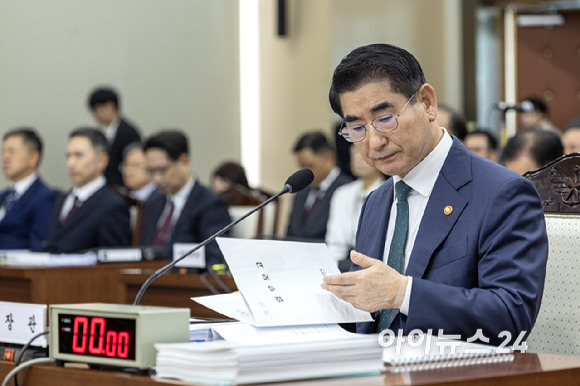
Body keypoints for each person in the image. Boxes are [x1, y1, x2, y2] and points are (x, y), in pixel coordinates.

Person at [321, 43, 548, 345]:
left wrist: (403, 293)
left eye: (385, 118)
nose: (373, 142)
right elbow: (363, 318)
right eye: (357, 128)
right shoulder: (377, 201)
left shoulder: (503, 193)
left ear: (427, 103)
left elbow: (511, 315)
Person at [139, 130, 231, 267]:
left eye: (162, 170)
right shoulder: (154, 200)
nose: (156, 179)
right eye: (151, 172)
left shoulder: (210, 204)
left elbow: (215, 259)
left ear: (184, 161)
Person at [46, 128, 131, 253]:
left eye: (78, 155)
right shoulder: (62, 199)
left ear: (101, 161)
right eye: (68, 156)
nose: (71, 163)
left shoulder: (112, 205)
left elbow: (114, 261)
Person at [325, 145, 386, 271]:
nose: (358, 157)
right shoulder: (342, 193)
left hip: (374, 267)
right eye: (354, 150)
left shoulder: (388, 194)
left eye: (364, 151)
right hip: (342, 266)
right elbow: (334, 243)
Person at [286, 131, 353, 242]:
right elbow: (289, 235)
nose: (304, 172)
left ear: (329, 158)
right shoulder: (301, 192)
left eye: (310, 165)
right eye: (301, 166)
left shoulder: (348, 189)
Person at [0, 128, 57, 251]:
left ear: (33, 157)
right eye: (3, 152)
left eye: (12, 152)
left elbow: (38, 245)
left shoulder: (44, 197)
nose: (5, 158)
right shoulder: (4, 196)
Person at [88, 87, 141, 188]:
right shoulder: (107, 132)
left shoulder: (128, 133)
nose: (95, 116)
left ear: (110, 106)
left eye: (97, 110)